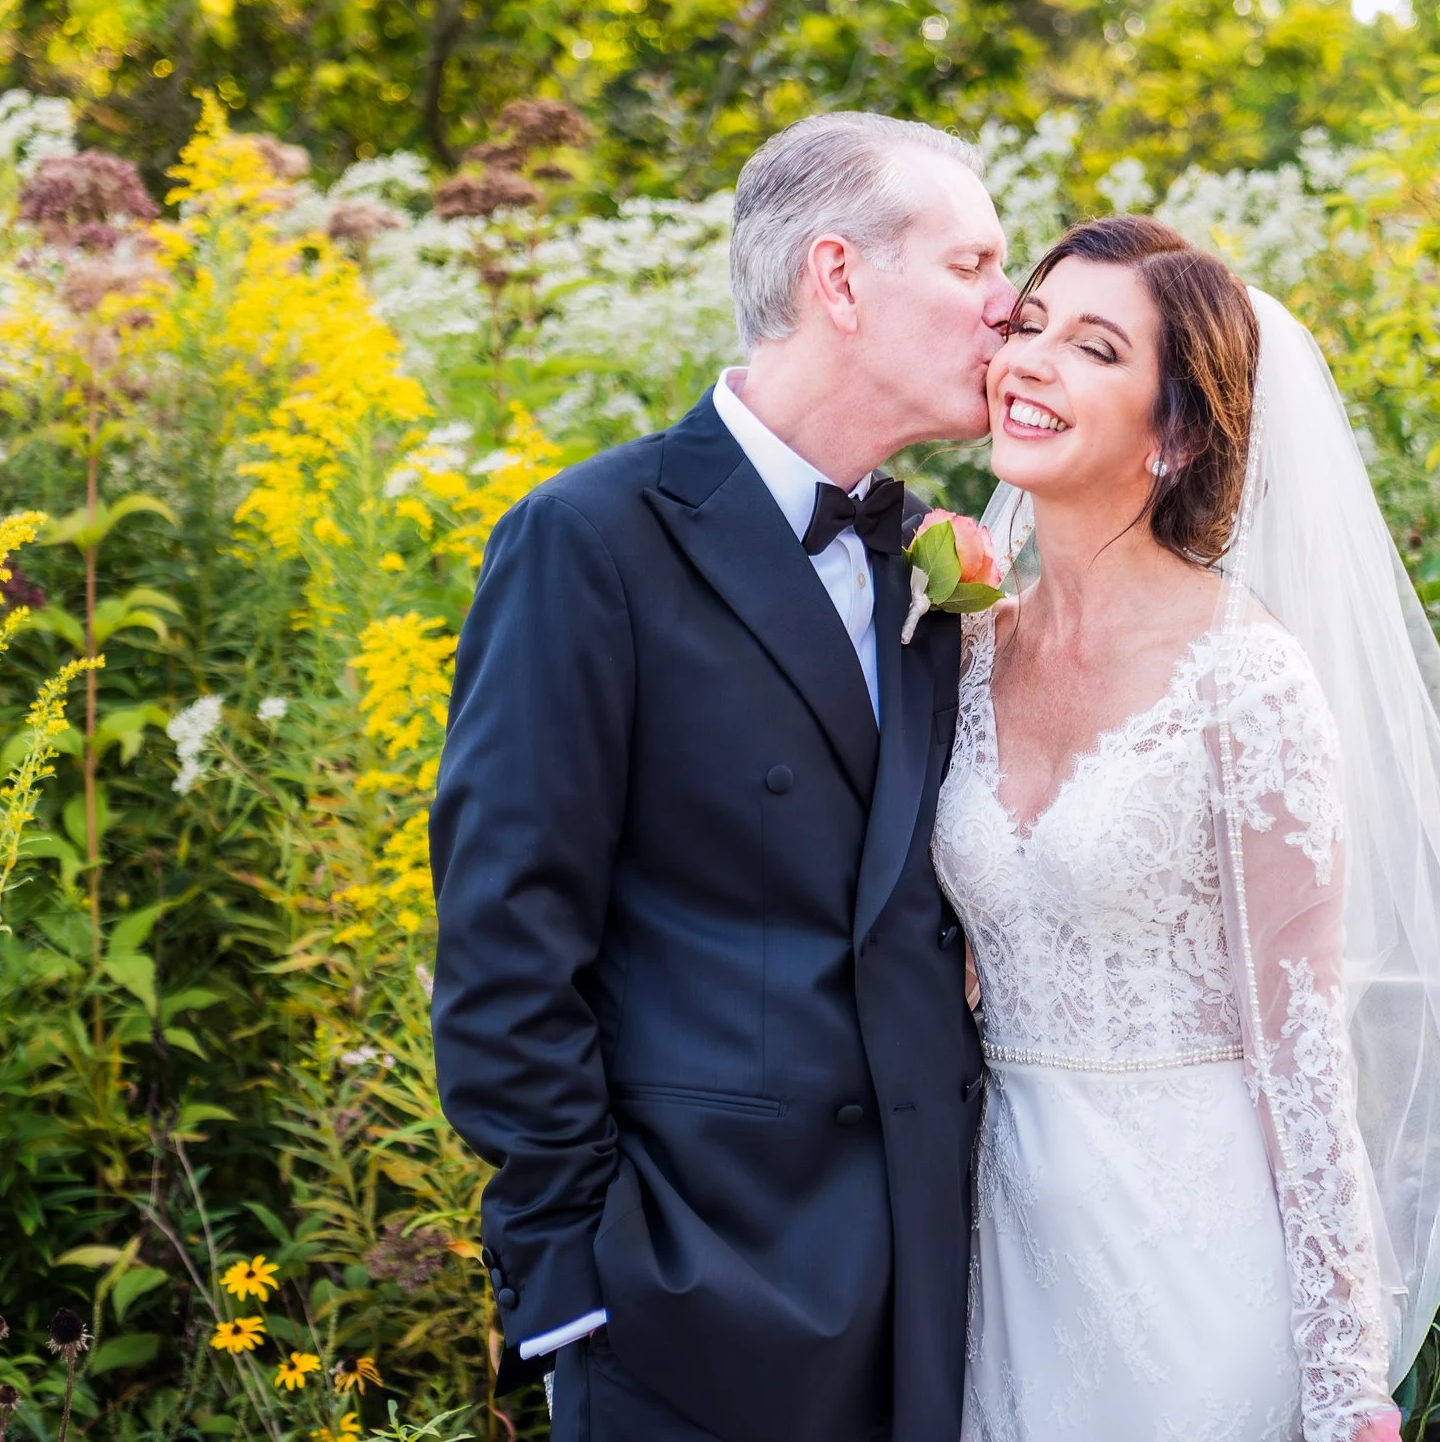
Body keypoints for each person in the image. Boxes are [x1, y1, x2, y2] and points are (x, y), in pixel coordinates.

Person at [429, 112, 1014, 1442]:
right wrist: (583, 1270)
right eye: (973, 264)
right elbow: (507, 941)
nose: (1009, 307)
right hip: (690, 1305)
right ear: (841, 279)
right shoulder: (587, 542)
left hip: (941, 1293)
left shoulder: (931, 559)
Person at [936, 217, 1440, 1442]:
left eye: (1094, 347)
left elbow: (1303, 1045)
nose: (1029, 361)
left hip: (1194, 1261)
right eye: (1028, 326)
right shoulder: (960, 654)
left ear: (1178, 431)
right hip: (999, 1259)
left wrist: (1344, 1377)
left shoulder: (1245, 678)